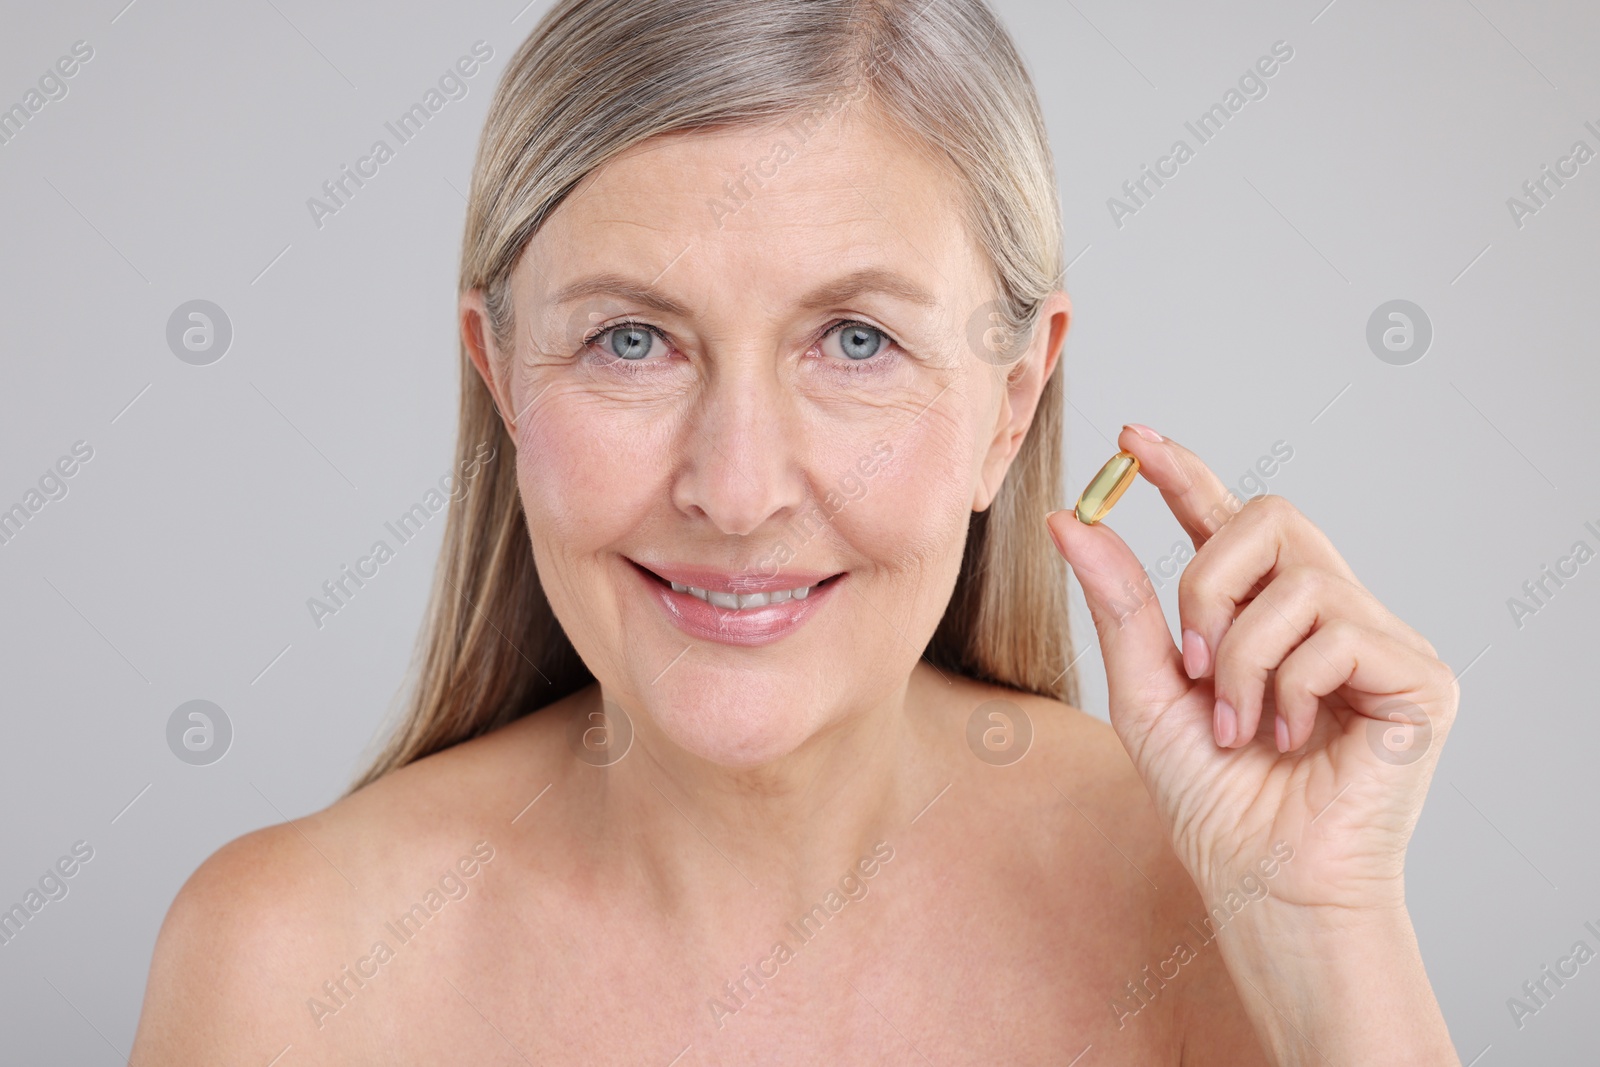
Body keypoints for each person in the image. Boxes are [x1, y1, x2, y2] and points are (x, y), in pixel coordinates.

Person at [131, 1, 1460, 1062]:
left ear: (1013, 400)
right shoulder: (285, 966)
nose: (739, 486)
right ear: (502, 377)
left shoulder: (1206, 907)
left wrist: (1325, 938)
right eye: (632, 339)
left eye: (856, 340)